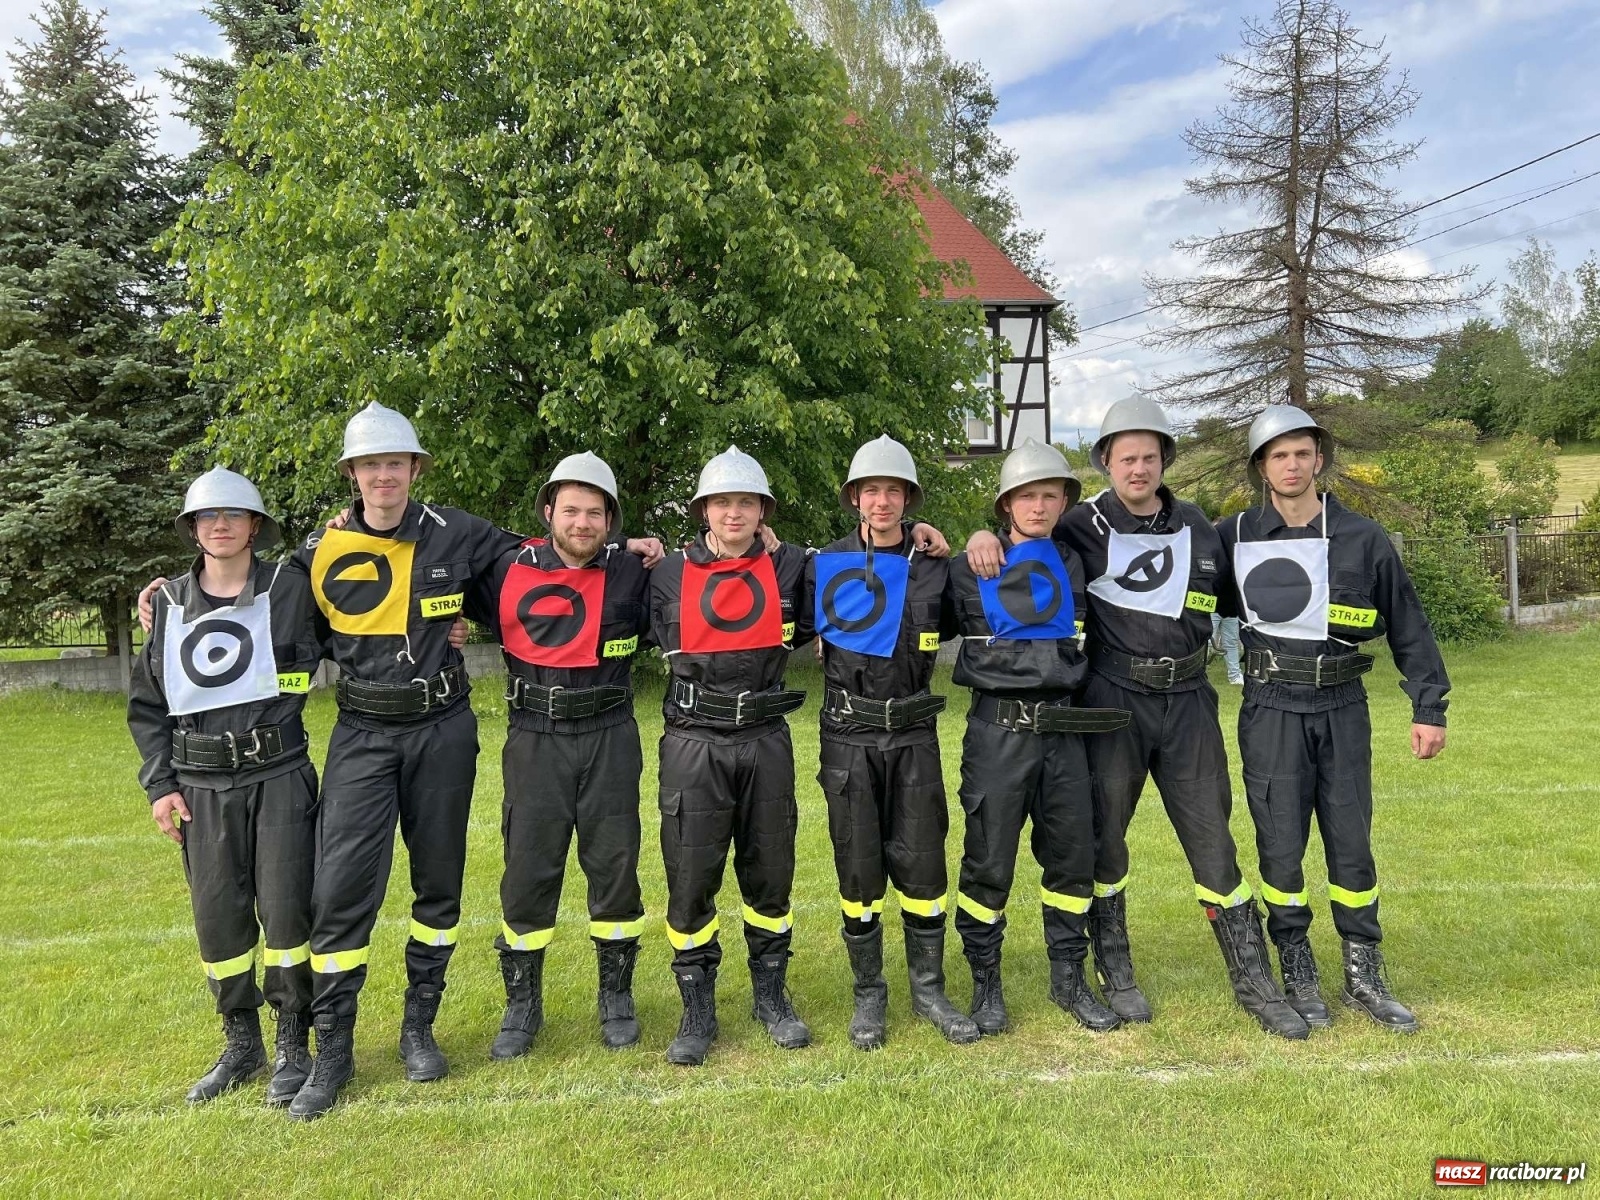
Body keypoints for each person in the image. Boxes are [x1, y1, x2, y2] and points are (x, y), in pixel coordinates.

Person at [967, 398, 1305, 1038]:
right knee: (1104, 844)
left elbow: (1257, 595)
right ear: (1105, 462)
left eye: (1150, 456)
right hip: (1110, 703)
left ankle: (1256, 983)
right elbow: (1016, 542)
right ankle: (1115, 972)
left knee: (1214, 842)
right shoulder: (1076, 527)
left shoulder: (1202, 528)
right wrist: (977, 534)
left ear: (1164, 460)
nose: (1139, 468)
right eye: (1127, 457)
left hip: (1188, 703)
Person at [283, 402, 516, 1118]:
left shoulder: (459, 532)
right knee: (341, 892)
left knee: (438, 884)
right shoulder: (315, 553)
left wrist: (635, 551)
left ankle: (420, 1028)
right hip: (361, 733)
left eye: (396, 463)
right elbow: (247, 600)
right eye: (370, 465)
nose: (384, 475)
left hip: (443, 729)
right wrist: (168, 596)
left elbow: (542, 564)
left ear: (415, 469)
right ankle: (334, 1051)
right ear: (353, 474)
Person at [1218, 405, 1450, 1034]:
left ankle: (1364, 973)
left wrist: (1429, 707)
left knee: (1351, 842)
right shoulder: (1231, 534)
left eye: (1302, 453)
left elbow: (1408, 625)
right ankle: (1296, 968)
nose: (1291, 465)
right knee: (1281, 843)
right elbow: (1157, 576)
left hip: (1343, 706)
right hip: (1270, 709)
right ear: (1261, 467)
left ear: (1318, 459)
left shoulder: (1362, 537)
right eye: (1278, 455)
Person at [126, 467, 323, 1104]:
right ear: (192, 530)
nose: (220, 526)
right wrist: (161, 785)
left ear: (254, 526)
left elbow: (362, 596)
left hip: (279, 774)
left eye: (233, 516)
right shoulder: (169, 605)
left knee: (288, 909)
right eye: (207, 519)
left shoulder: (291, 588)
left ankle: (295, 1039)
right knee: (218, 918)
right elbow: (148, 705)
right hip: (202, 785)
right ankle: (241, 1041)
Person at [469, 452, 657, 1058]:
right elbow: (425, 561)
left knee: (615, 866)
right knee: (527, 871)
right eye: (570, 510)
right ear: (549, 511)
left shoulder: (636, 570)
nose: (582, 522)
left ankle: (617, 997)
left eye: (594, 512)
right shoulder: (503, 567)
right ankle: (522, 1007)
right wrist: (344, 525)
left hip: (610, 733)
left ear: (610, 520)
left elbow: (722, 564)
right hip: (534, 737)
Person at [945, 438, 1130, 1036]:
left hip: (1065, 734)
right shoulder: (973, 561)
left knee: (1073, 861)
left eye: (1051, 495)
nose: (1039, 505)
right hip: (998, 734)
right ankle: (985, 986)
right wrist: (967, 533)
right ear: (1005, 505)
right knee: (988, 862)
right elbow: (908, 562)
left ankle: (1069, 980)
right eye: (1027, 495)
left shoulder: (1075, 559)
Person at [807, 435, 979, 1050]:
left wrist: (965, 543)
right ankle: (868, 995)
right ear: (856, 498)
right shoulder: (822, 562)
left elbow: (983, 611)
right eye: (871, 490)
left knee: (924, 860)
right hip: (847, 735)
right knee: (858, 866)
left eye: (894, 490)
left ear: (908, 498)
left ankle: (929, 990)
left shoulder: (936, 565)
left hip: (914, 732)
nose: (882, 501)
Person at [647, 446, 815, 1066]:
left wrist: (929, 536)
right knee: (691, 876)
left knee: (771, 870)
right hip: (693, 740)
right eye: (723, 502)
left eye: (747, 502)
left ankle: (771, 998)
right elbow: (583, 569)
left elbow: (868, 559)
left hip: (765, 737)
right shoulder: (662, 573)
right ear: (704, 512)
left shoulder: (794, 566)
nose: (734, 512)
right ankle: (698, 1011)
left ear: (763, 511)